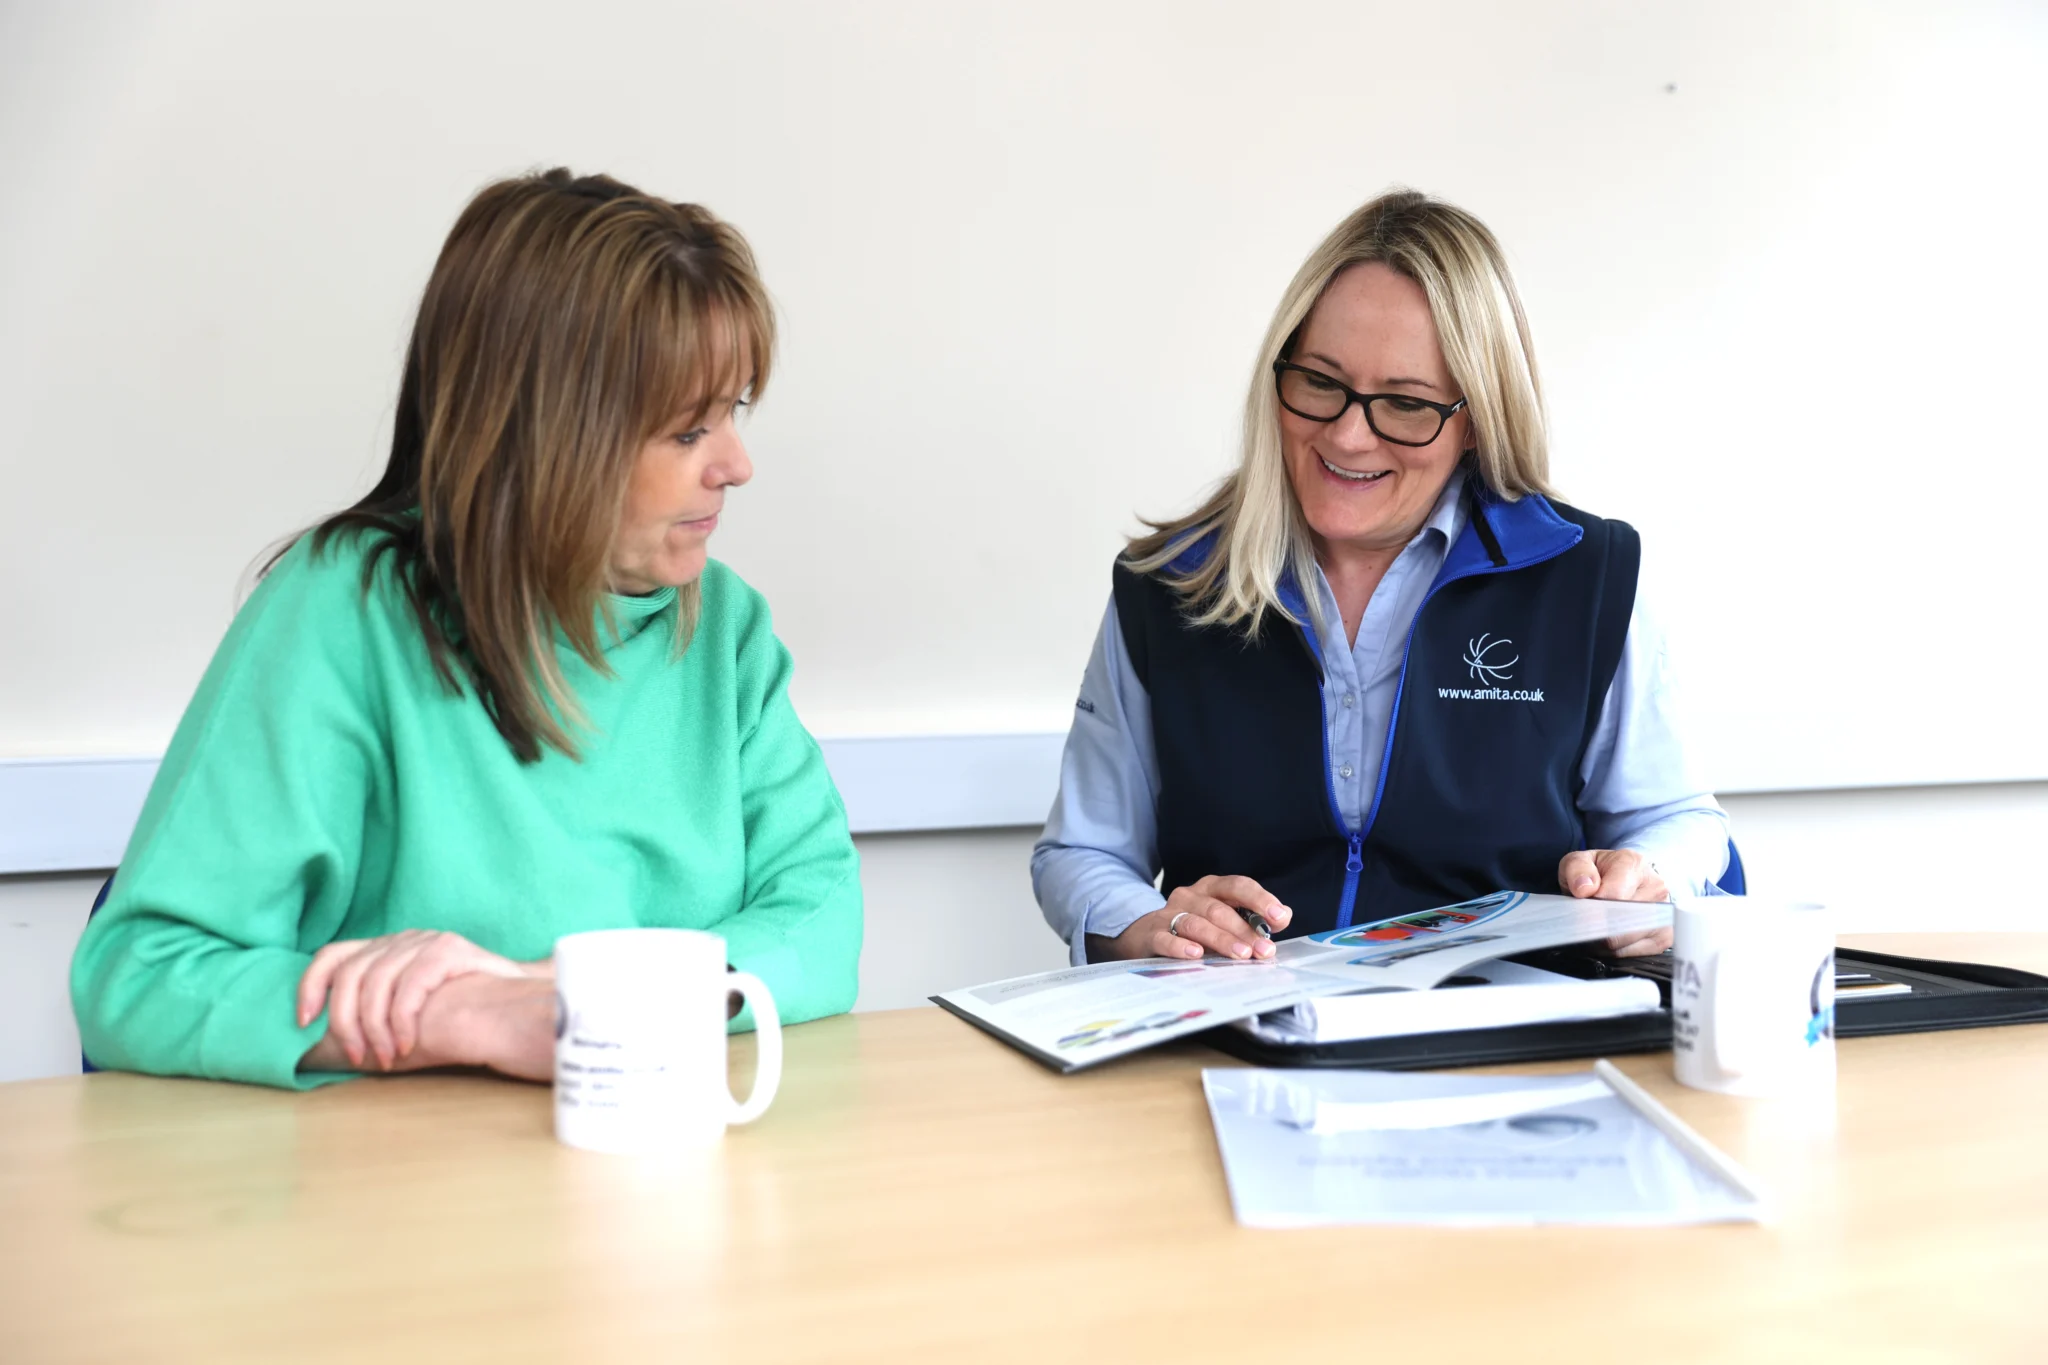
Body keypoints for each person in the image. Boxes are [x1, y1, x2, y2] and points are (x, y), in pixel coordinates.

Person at [71, 169, 862, 1088]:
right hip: (400, 1168)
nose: (737, 463)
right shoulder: (344, 611)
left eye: (734, 410)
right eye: (687, 432)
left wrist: (570, 992)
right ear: (550, 436)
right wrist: (455, 1016)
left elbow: (822, 917)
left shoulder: (725, 627)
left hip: (664, 1143)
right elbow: (137, 975)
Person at [1033, 189, 1726, 966]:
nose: (1348, 435)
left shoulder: (1587, 580)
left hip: (1509, 1025)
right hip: (1244, 1025)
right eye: (1320, 382)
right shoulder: (1167, 585)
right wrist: (1150, 923)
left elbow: (1683, 824)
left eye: (1404, 403)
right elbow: (1082, 853)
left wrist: (1650, 877)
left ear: (1477, 419)